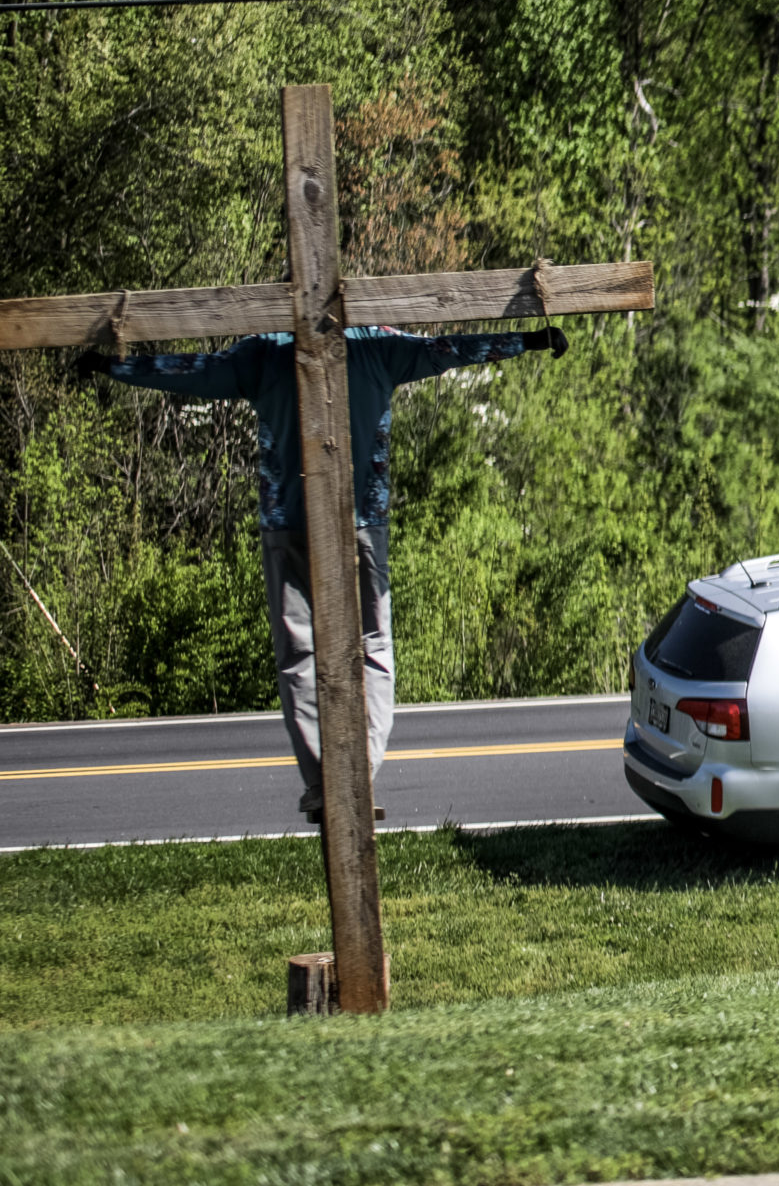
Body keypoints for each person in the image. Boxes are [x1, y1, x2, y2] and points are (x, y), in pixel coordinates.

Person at [74, 325, 570, 822]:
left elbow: (192, 372)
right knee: (373, 645)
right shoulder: (374, 345)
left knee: (299, 654)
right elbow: (448, 350)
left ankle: (322, 780)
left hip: (289, 521)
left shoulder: (267, 352)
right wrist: (528, 340)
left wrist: (112, 366)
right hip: (360, 520)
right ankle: (357, 773)